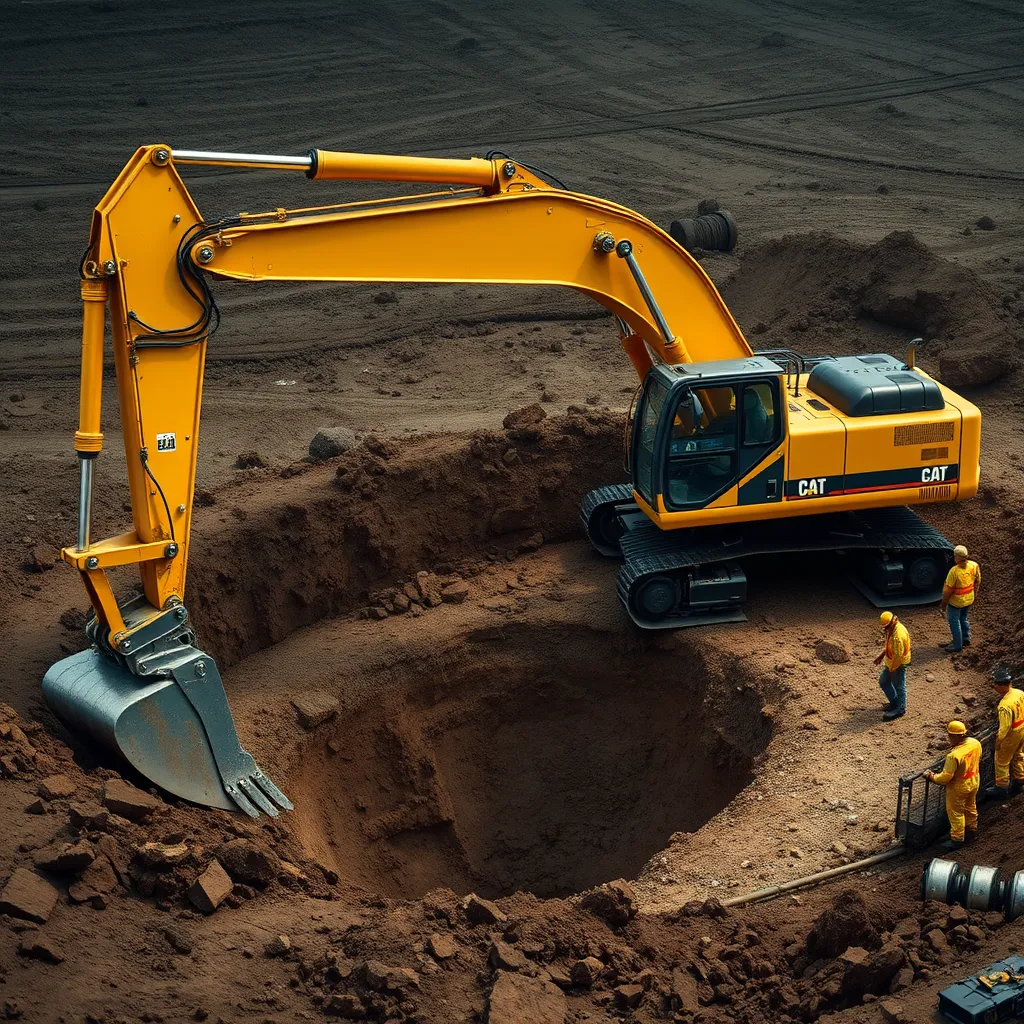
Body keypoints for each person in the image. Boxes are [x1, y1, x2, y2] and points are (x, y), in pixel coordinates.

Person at [925, 720, 982, 851]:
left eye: (950, 735)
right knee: (970, 806)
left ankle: (957, 839)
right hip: (974, 780)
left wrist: (931, 776)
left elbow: (945, 778)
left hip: (959, 786)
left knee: (956, 813)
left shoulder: (953, 756)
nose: (949, 738)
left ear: (957, 736)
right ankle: (971, 830)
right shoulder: (975, 743)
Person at [984, 665, 1024, 800]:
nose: (994, 686)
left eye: (996, 684)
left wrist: (999, 741)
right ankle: (1019, 779)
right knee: (1018, 754)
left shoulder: (1004, 705)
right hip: (1022, 729)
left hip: (1011, 734)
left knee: (1002, 760)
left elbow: (1005, 727)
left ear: (1002, 685)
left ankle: (1001, 787)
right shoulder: (1019, 693)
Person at [940, 544, 981, 653]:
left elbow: (948, 591)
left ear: (957, 558)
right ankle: (966, 639)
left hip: (956, 602)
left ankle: (957, 644)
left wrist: (943, 606)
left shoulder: (954, 572)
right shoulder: (974, 565)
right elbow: (977, 581)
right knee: (963, 618)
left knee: (954, 621)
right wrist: (974, 594)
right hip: (968, 599)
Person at [874, 611, 911, 720]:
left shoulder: (897, 636)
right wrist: (881, 656)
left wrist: (892, 669)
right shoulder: (892, 628)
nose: (884, 629)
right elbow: (889, 647)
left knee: (899, 686)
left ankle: (900, 709)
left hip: (898, 664)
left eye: (886, 626)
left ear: (891, 623)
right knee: (884, 681)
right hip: (891, 662)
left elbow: (898, 656)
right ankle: (895, 703)